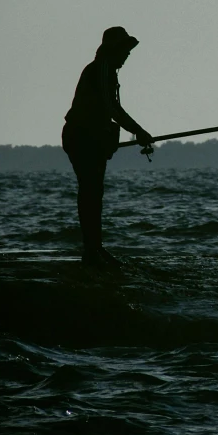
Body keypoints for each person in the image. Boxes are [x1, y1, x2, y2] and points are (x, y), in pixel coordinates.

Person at [62, 27, 153, 267]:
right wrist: (139, 130)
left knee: (94, 193)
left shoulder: (107, 70)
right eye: (125, 51)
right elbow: (111, 107)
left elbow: (106, 112)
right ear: (115, 50)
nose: (127, 56)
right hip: (81, 138)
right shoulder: (102, 68)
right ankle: (93, 251)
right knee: (90, 193)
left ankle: (94, 249)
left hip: (89, 138)